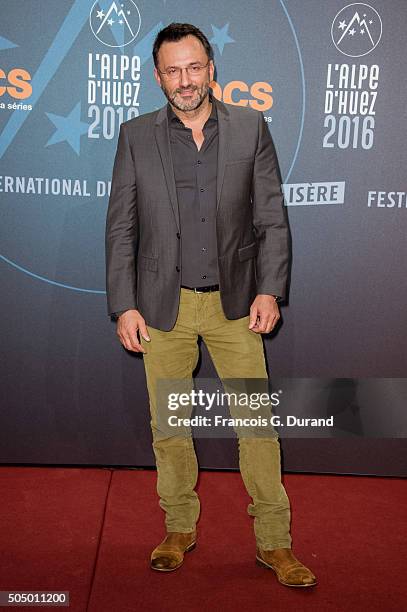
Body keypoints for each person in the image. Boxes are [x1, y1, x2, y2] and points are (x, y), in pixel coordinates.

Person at [105, 23, 316, 587]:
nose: (184, 80)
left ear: (211, 68)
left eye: (193, 67)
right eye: (172, 70)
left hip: (236, 306)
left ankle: (275, 542)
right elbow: (121, 228)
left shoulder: (249, 127)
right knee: (170, 427)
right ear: (157, 77)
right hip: (160, 308)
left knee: (257, 427)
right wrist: (124, 304)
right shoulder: (134, 135)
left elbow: (271, 216)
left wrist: (270, 288)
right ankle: (178, 527)